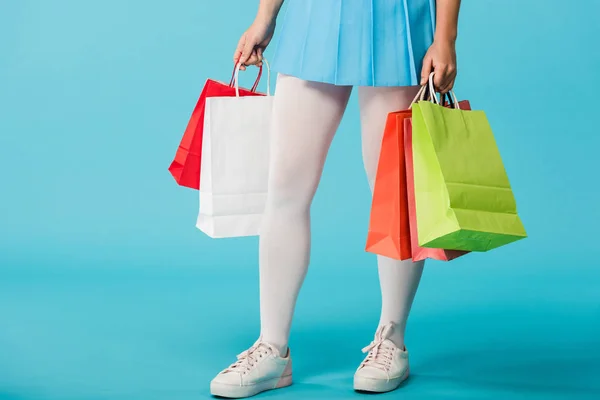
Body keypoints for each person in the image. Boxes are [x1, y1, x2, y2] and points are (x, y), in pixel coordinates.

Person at [210, 0, 460, 397]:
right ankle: (272, 347)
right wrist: (264, 17)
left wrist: (445, 37)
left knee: (393, 189)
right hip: (314, 17)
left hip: (396, 19)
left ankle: (391, 340)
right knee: (285, 187)